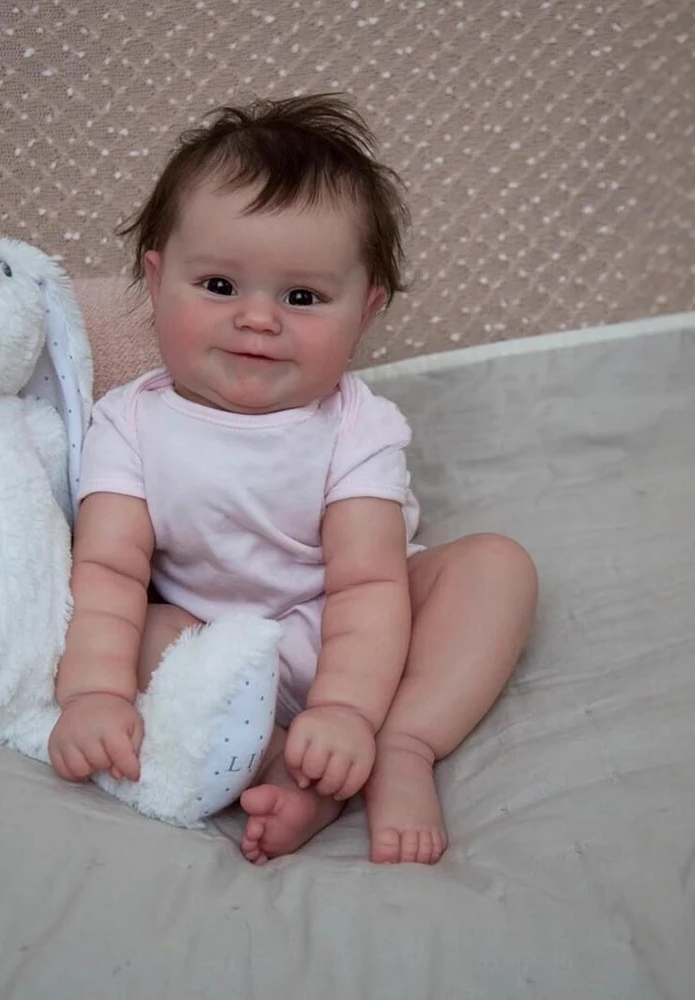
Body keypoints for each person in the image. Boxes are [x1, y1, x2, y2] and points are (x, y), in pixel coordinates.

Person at [48, 93, 538, 864]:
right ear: (157, 279)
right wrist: (95, 696)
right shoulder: (128, 422)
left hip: (362, 636)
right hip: (216, 645)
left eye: (301, 297)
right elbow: (109, 569)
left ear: (364, 312)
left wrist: (347, 710)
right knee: (145, 631)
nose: (258, 319)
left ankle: (403, 745)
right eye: (219, 286)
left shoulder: (355, 425)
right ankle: (285, 763)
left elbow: (368, 583)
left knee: (495, 569)